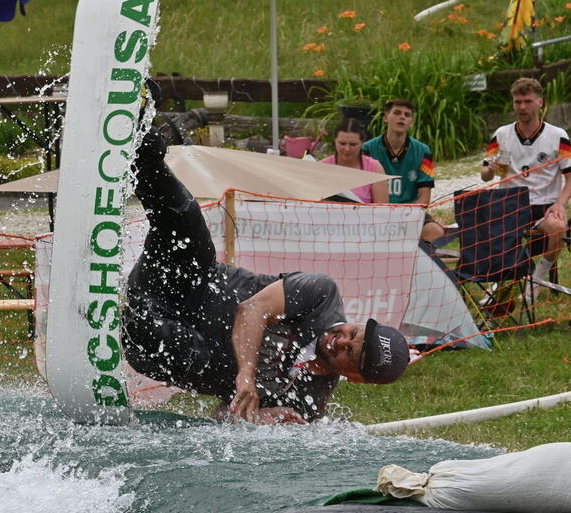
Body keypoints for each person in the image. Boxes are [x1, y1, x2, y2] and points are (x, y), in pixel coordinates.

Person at [123, 130, 411, 425]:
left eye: (349, 354)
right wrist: (246, 373)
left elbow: (222, 416)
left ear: (357, 379)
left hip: (159, 344)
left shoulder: (308, 401)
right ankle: (141, 146)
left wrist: (260, 416)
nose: (341, 342)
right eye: (353, 333)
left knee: (186, 350)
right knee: (189, 225)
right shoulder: (322, 296)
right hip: (183, 278)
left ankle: (104, 318)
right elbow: (252, 310)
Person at [479, 77, 571, 286]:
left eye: (527, 101)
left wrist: (560, 203)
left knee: (559, 228)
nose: (522, 107)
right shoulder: (502, 134)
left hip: (544, 205)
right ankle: (498, 284)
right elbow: (485, 175)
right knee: (488, 230)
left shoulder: (557, 135)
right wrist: (490, 169)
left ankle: (537, 281)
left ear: (540, 102)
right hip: (510, 203)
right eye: (517, 102)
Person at [361, 99, 445, 244]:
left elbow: (424, 198)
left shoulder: (423, 151)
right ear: (386, 117)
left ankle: (413, 262)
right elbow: (362, 191)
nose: (402, 117)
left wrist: (403, 216)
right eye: (397, 113)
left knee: (435, 232)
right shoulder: (367, 149)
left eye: (407, 115)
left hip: (409, 214)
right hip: (376, 213)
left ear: (411, 122)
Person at [319, 118, 388, 203]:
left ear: (362, 142)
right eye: (342, 143)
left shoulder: (374, 169)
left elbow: (382, 210)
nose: (347, 149)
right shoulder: (321, 167)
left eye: (353, 144)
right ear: (335, 141)